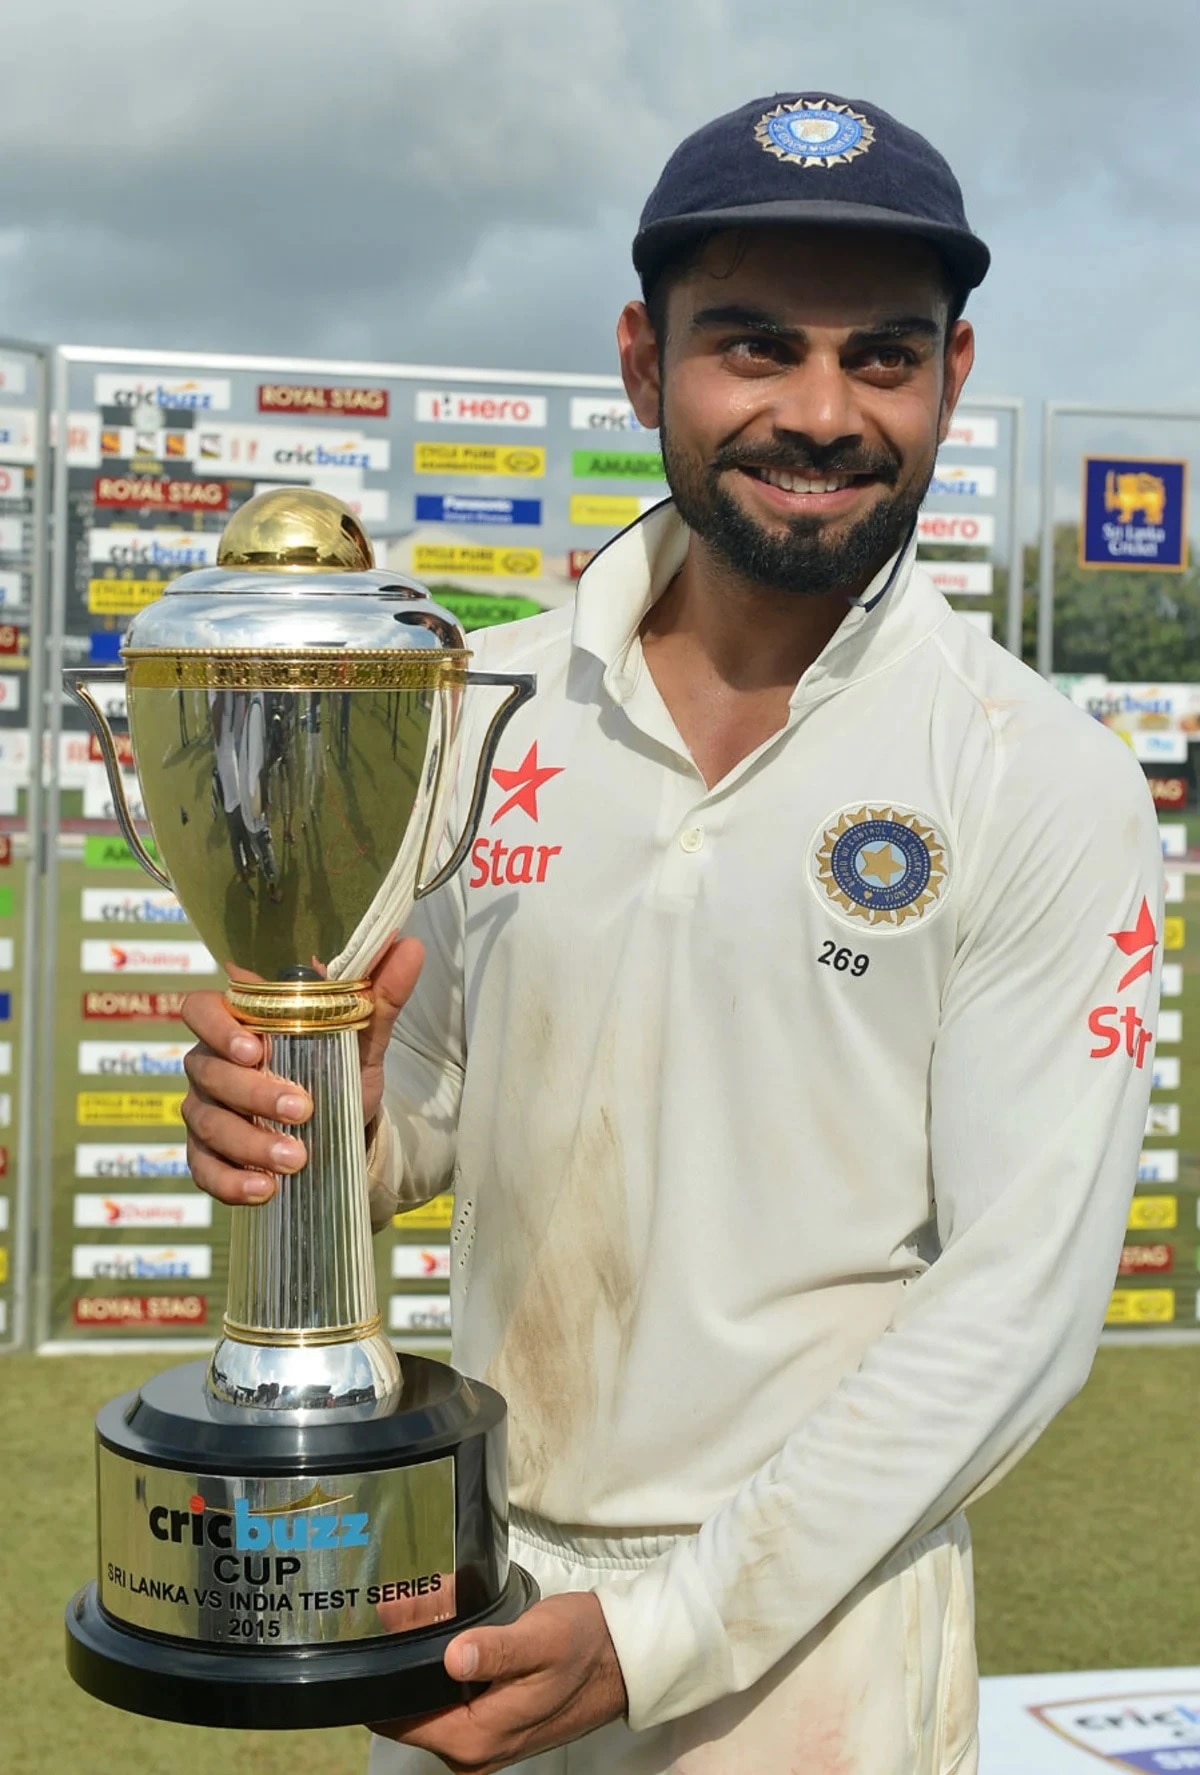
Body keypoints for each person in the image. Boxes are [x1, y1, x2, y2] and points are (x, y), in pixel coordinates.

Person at [180, 93, 1163, 1775]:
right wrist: (316, 1115)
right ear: (645, 364)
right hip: (471, 1583)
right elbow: (424, 1096)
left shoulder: (1036, 776)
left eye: (885, 358)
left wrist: (667, 1630)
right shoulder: (475, 697)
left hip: (809, 1640)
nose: (820, 413)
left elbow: (1020, 1310)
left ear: (954, 377)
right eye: (755, 346)